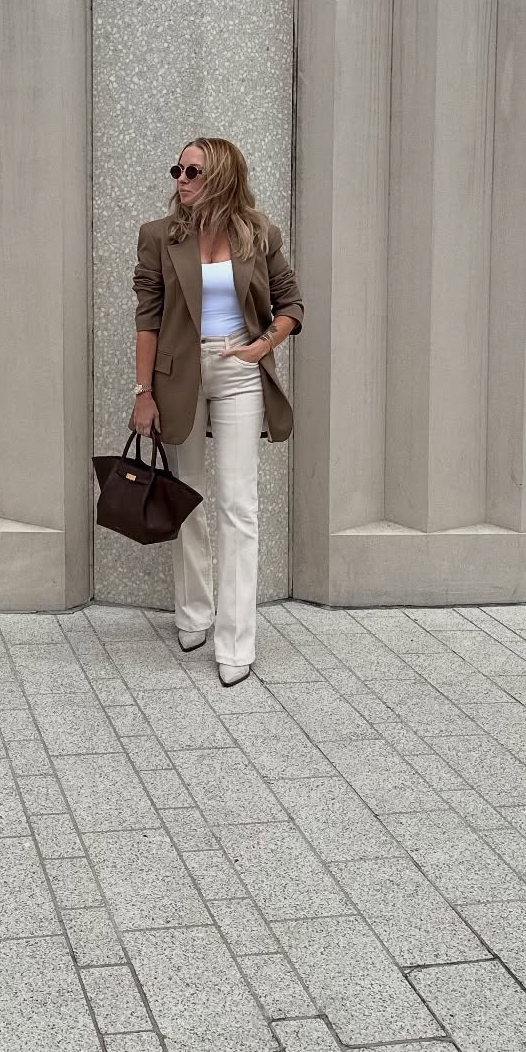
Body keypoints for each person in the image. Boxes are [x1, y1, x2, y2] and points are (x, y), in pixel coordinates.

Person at [130, 137, 304, 686]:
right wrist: (143, 391)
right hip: (179, 374)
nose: (180, 180)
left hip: (238, 371)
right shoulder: (159, 236)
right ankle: (193, 613)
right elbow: (148, 318)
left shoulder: (259, 234)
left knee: (238, 504)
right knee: (187, 497)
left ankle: (236, 641)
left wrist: (262, 346)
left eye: (193, 172)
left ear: (223, 177)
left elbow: (291, 303)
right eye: (178, 170)